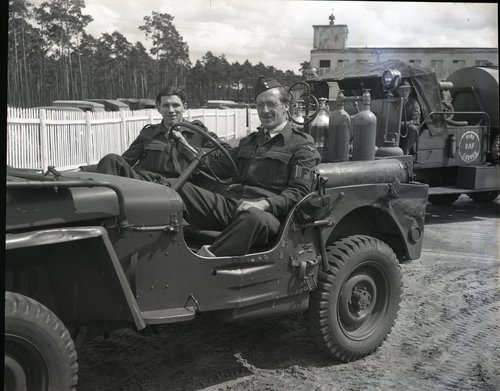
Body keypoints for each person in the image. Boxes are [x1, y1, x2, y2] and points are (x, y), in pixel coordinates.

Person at [176, 76, 321, 257]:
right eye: (259, 105)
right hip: (232, 205)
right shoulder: (250, 141)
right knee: (174, 189)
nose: (264, 110)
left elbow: (300, 192)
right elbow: (220, 167)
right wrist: (190, 152)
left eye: (271, 104)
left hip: (267, 216)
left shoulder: (301, 145)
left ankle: (206, 261)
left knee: (253, 217)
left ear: (286, 106)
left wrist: (264, 203)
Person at [92, 86, 219, 185]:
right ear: (158, 108)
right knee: (111, 159)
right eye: (166, 105)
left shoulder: (198, 132)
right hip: (146, 185)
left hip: (179, 188)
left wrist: (189, 150)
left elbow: (222, 155)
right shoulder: (149, 133)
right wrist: (85, 170)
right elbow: (126, 160)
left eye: (175, 105)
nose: (171, 110)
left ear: (184, 107)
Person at [397, 80, 421, 154]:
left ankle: (405, 153)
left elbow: (416, 121)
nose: (404, 93)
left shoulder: (413, 103)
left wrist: (403, 124)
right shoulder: (394, 102)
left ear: (410, 91)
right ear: (398, 91)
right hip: (395, 128)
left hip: (407, 128)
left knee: (413, 128)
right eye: (402, 90)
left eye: (406, 90)